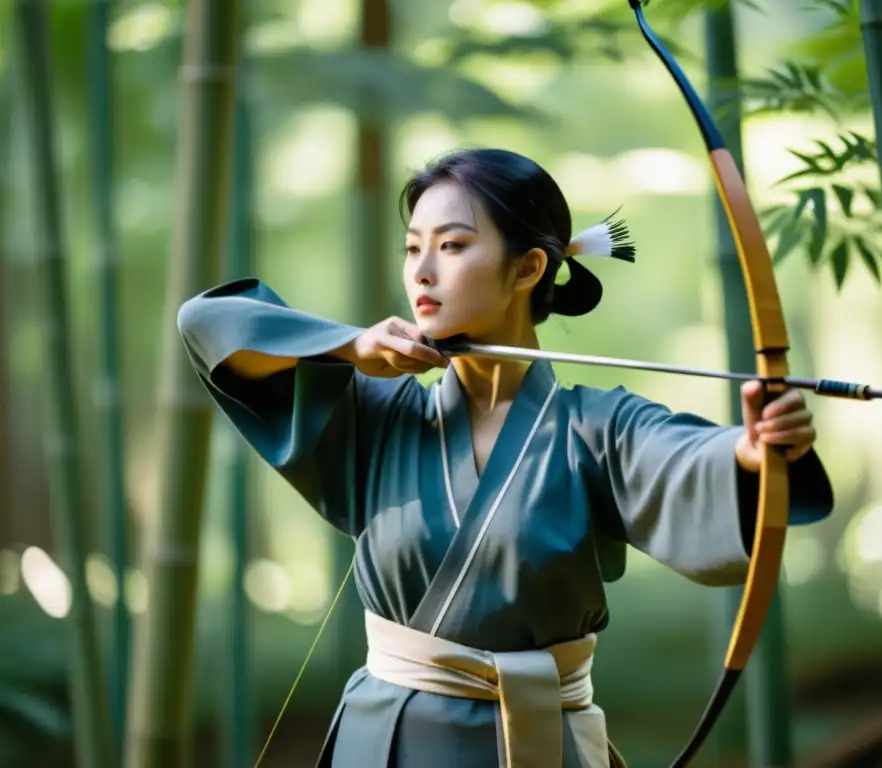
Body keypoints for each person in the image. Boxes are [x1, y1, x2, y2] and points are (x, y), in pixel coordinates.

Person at [177, 147, 834, 768]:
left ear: (527, 268)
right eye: (413, 248)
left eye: (453, 245)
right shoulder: (377, 416)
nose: (422, 271)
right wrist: (349, 347)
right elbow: (206, 325)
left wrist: (754, 452)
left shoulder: (597, 428)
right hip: (388, 744)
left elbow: (692, 460)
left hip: (540, 742)